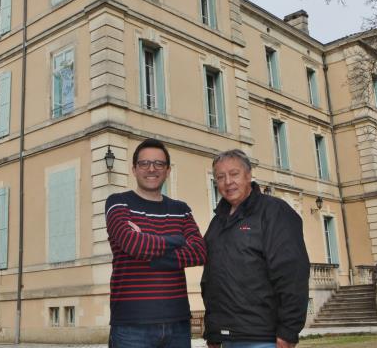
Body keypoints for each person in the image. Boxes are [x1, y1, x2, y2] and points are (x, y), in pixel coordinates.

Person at [201, 149, 310, 348]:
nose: (228, 182)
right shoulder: (217, 223)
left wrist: (288, 331)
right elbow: (210, 279)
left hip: (263, 338)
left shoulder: (274, 211)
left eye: (234, 174)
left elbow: (292, 273)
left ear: (249, 175)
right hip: (226, 338)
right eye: (220, 177)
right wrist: (213, 331)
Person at [105, 138, 207, 348]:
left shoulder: (181, 209)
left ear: (168, 170)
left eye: (159, 164)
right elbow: (131, 243)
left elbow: (199, 252)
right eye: (144, 163)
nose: (151, 169)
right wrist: (177, 240)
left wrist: (153, 256)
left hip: (177, 322)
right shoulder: (117, 203)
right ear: (134, 169)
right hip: (131, 325)